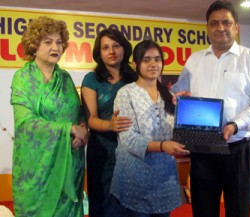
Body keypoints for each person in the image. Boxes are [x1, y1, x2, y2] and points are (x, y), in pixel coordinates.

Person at [171, 1, 250, 217]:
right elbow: (178, 93)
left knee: (237, 210)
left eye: (226, 23)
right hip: (203, 150)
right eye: (214, 23)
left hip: (238, 148)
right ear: (207, 28)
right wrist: (177, 98)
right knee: (202, 210)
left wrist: (235, 125)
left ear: (236, 27)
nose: (221, 28)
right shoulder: (194, 60)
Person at [10, 16, 88, 217]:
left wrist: (82, 131)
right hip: (36, 171)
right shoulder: (23, 78)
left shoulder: (65, 78)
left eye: (59, 42)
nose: (55, 47)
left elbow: (79, 113)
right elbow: (25, 122)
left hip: (70, 166)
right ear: (34, 46)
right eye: (48, 42)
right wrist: (68, 129)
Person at [109, 40, 190, 217]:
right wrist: (162, 146)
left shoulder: (168, 95)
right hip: (135, 178)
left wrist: (186, 108)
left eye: (157, 59)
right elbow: (129, 139)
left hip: (165, 178)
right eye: (146, 60)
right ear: (135, 64)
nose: (153, 64)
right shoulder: (126, 93)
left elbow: (175, 133)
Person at [81, 28, 138, 217]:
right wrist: (110, 125)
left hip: (131, 151)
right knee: (103, 206)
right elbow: (90, 119)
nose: (111, 51)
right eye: (105, 47)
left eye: (116, 45)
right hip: (102, 153)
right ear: (99, 53)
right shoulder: (92, 79)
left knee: (131, 205)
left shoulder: (136, 79)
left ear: (124, 49)